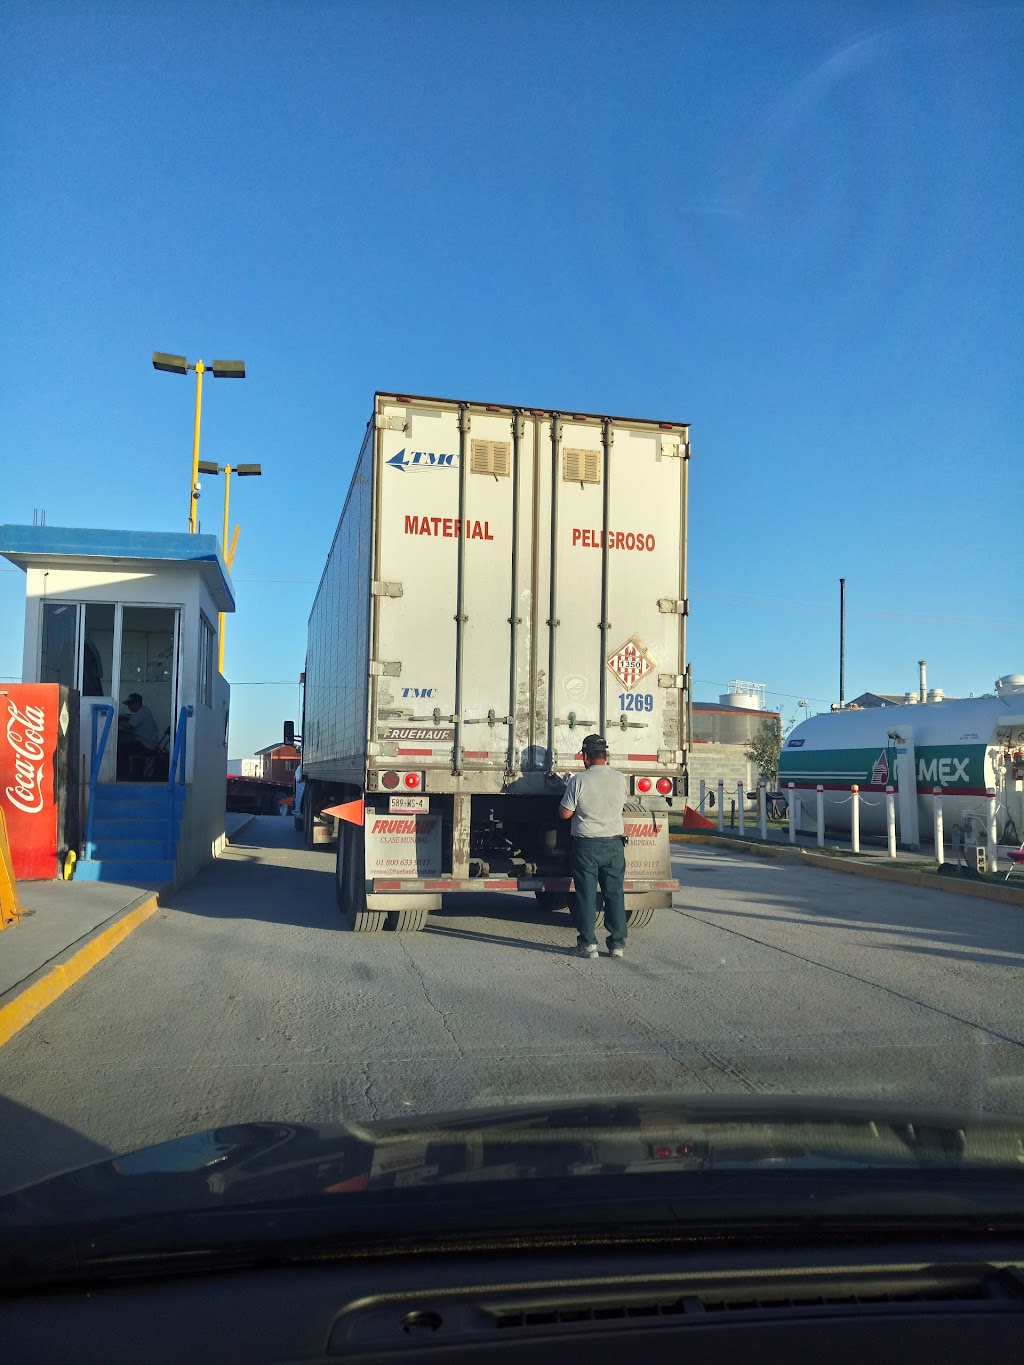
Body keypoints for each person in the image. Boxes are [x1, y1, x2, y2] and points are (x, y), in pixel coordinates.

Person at [559, 733, 629, 960]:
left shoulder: (579, 780)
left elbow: (565, 813)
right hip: (615, 845)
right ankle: (617, 945)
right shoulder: (620, 779)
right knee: (615, 894)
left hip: (587, 846)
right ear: (606, 755)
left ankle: (588, 945)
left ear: (584, 757)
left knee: (587, 896)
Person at [120, 692, 159, 773]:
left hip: (147, 747)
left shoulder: (141, 713)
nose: (129, 707)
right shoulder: (144, 711)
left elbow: (129, 726)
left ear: (136, 704)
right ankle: (131, 774)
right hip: (149, 745)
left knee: (120, 749)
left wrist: (116, 722)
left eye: (130, 705)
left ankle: (125, 775)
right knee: (126, 745)